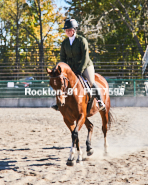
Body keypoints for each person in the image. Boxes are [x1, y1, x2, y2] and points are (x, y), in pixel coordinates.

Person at [52, 19, 105, 111]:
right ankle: (59, 103)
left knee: (91, 82)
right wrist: (64, 69)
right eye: (66, 30)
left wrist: (80, 70)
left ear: (74, 29)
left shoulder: (81, 40)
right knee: (61, 83)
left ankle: (100, 101)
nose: (67, 32)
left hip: (85, 65)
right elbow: (62, 58)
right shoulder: (64, 43)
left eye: (69, 30)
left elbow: (85, 57)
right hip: (71, 68)